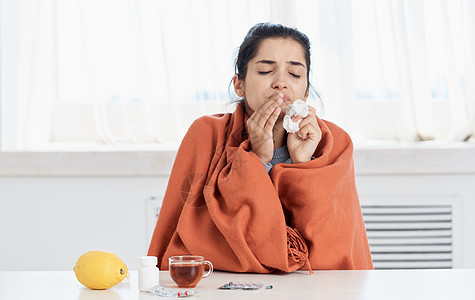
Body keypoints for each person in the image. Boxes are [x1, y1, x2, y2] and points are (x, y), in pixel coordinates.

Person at [148, 23, 373, 272]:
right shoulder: (206, 134)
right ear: (239, 84)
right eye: (266, 71)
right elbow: (196, 241)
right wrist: (257, 159)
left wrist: (304, 165)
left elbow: (329, 251)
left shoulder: (334, 143)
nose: (280, 83)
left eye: (295, 75)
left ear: (306, 91)